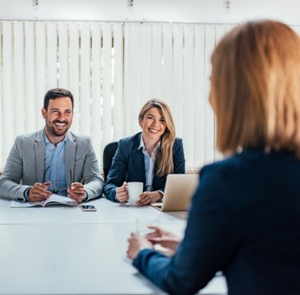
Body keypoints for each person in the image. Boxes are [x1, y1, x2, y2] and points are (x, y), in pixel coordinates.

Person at [127, 20, 300, 295]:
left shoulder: (230, 180)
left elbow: (181, 280)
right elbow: (274, 257)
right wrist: (198, 247)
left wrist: (143, 253)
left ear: (233, 92)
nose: (209, 96)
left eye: (213, 81)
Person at [0, 88, 104, 203]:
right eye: (55, 111)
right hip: (34, 212)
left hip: (71, 211)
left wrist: (84, 192)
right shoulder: (22, 143)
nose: (62, 117)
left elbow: (97, 181)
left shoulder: (84, 144)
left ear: (72, 114)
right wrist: (27, 192)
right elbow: (4, 183)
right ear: (44, 113)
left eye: (67, 112)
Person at [104, 99, 185, 205]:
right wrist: (117, 193)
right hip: (134, 208)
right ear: (141, 120)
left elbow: (180, 187)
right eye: (151, 118)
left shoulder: (176, 146)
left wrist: (160, 194)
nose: (156, 124)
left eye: (162, 120)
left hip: (161, 209)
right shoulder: (126, 145)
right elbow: (110, 184)